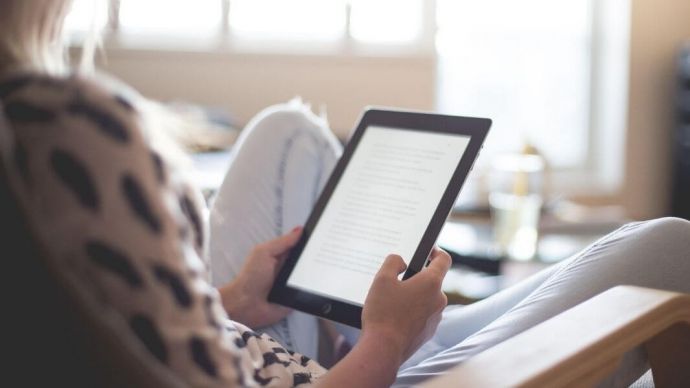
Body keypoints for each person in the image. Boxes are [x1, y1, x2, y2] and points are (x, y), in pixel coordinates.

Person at [1, 1, 688, 386]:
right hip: (347, 377)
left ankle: (376, 327)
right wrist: (382, 346)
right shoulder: (60, 130)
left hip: (262, 347)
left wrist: (235, 301)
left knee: (289, 132)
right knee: (670, 247)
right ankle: (393, 335)